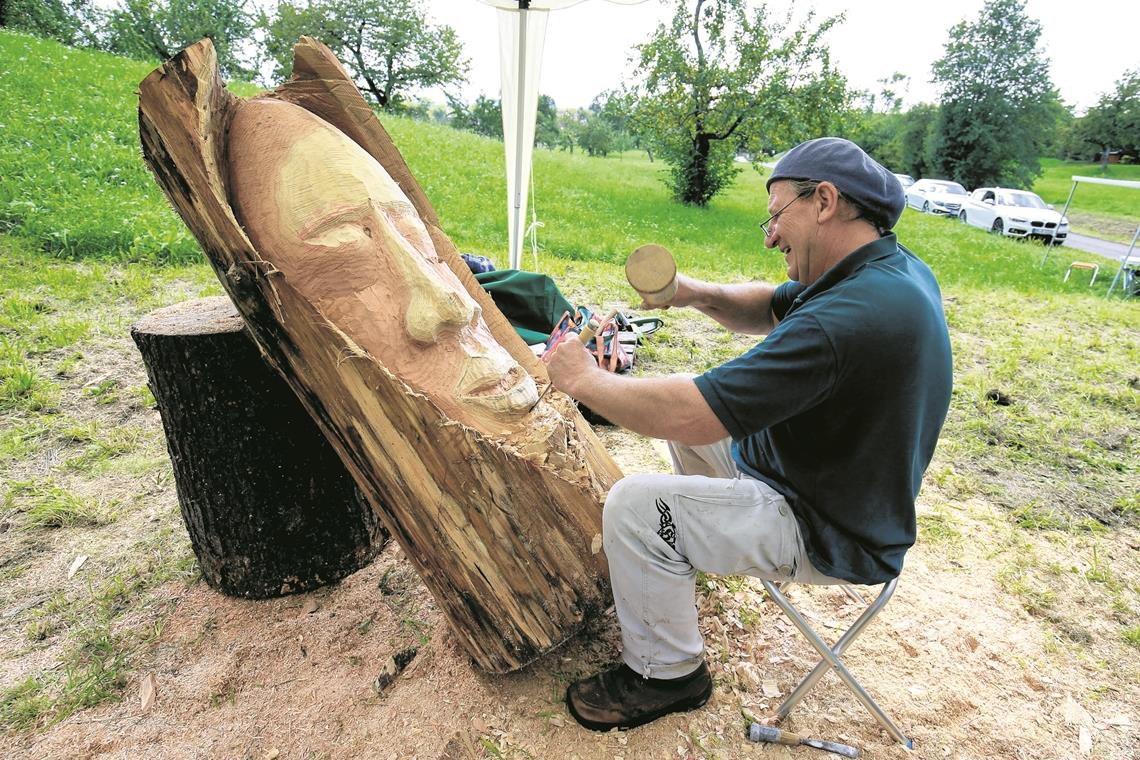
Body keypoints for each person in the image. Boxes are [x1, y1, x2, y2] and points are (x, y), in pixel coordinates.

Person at [544, 137, 954, 731]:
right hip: (820, 476)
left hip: (830, 527)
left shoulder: (852, 318)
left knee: (636, 506)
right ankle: (681, 554)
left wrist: (582, 379)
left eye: (776, 213)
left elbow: (693, 414)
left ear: (825, 201)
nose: (768, 235)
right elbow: (770, 306)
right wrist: (689, 293)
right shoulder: (883, 270)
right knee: (687, 407)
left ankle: (668, 674)